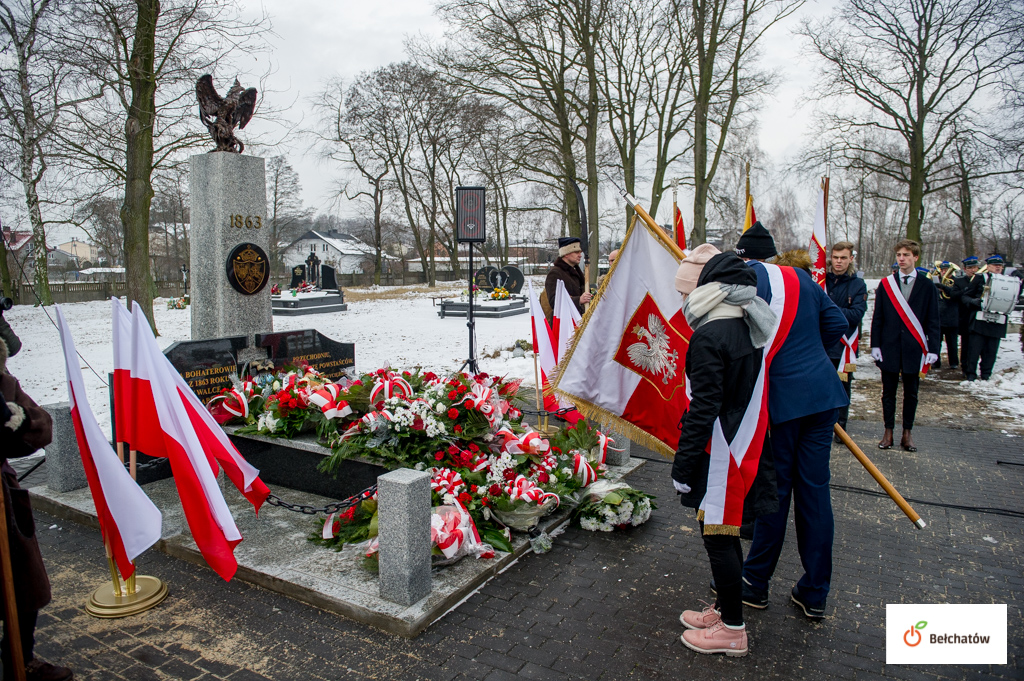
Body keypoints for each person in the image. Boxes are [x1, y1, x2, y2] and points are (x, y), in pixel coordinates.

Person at [737, 224, 849, 621]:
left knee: (775, 492)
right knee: (816, 493)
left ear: (743, 254)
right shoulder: (801, 277)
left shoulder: (744, 281)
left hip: (781, 404)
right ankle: (814, 591)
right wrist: (812, 359)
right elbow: (838, 326)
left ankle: (754, 583)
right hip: (823, 396)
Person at [671, 251, 778, 657]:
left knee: (717, 537)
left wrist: (683, 464)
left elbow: (704, 406)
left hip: (721, 455)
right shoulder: (748, 327)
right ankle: (726, 609)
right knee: (725, 535)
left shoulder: (711, 336)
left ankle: (733, 629)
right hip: (741, 447)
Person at [1, 327, 74, 680]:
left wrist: (15, 417)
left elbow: (42, 427)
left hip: (3, 500)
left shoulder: (4, 382)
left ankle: (21, 658)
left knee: (21, 582)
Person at [869, 239, 940, 452]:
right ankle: (888, 431)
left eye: (906, 255)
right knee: (888, 392)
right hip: (889, 346)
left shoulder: (927, 285)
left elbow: (933, 319)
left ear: (915, 257)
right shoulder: (886, 284)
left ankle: (907, 434)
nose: (901, 259)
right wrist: (875, 344)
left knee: (911, 393)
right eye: (899, 255)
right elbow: (878, 317)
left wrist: (933, 348)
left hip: (914, 348)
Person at [824, 242, 868, 439]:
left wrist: (827, 309)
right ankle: (823, 425)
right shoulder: (822, 280)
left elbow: (856, 314)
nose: (838, 262)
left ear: (851, 259)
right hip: (822, 344)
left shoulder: (858, 284)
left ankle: (841, 427)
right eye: (835, 257)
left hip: (844, 347)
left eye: (843, 258)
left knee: (842, 389)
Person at [962, 255, 1016, 381]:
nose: (998, 267)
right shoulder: (980, 278)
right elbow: (965, 296)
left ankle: (986, 374)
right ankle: (970, 374)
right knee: (974, 349)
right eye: (995, 265)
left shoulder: (1009, 280)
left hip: (997, 321)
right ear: (988, 266)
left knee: (991, 351)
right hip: (980, 321)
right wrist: (974, 301)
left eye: (1000, 265)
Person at [543, 236, 592, 323]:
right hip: (563, 325)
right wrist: (579, 300)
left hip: (577, 321)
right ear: (566, 253)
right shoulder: (555, 273)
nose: (580, 255)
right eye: (576, 252)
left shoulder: (576, 272)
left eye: (580, 252)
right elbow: (554, 301)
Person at [931, 262, 960, 370]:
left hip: (952, 316)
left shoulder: (956, 282)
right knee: (936, 342)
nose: (944, 272)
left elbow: (956, 295)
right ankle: (935, 362)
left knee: (952, 342)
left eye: (947, 270)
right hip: (939, 317)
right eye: (943, 270)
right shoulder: (935, 282)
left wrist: (945, 288)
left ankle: (953, 362)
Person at [954, 256, 981, 370]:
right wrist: (964, 291)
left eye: (975, 267)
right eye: (970, 268)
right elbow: (953, 295)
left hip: (978, 316)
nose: (973, 270)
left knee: (977, 344)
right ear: (964, 269)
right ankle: (965, 365)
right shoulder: (960, 281)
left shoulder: (981, 279)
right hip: (964, 316)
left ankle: (973, 366)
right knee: (965, 343)